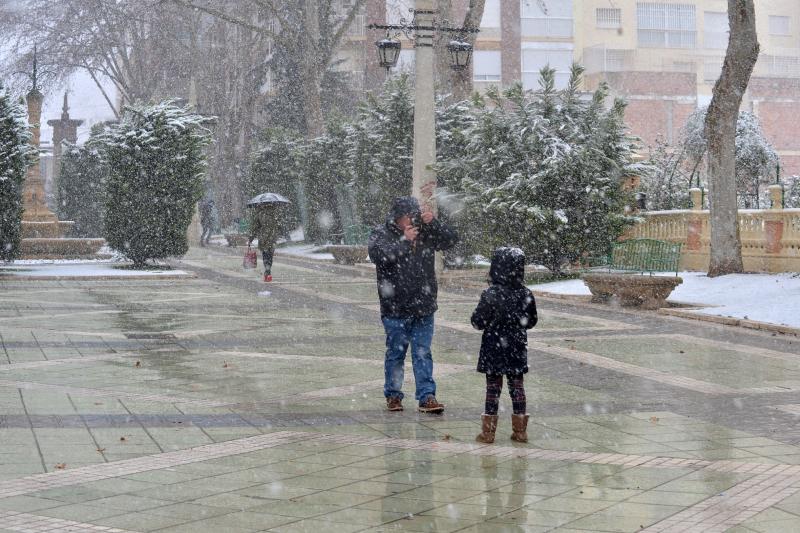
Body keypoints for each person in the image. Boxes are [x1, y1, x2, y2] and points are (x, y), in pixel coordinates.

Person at [368, 195, 458, 413]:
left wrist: (433, 222)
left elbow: (451, 240)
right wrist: (404, 241)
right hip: (395, 307)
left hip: (423, 305)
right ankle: (393, 395)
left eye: (415, 215)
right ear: (398, 217)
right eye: (409, 216)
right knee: (396, 354)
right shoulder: (381, 233)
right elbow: (379, 256)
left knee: (422, 352)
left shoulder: (424, 231)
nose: (412, 220)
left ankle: (427, 396)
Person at [471, 247, 538, 443]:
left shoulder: (491, 293)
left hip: (494, 346)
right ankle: (520, 431)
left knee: (493, 388)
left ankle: (488, 432)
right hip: (516, 346)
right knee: (517, 386)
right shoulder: (525, 293)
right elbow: (532, 321)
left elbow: (478, 322)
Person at [248, 205, 281, 282]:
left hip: (263, 238)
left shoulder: (260, 214)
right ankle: (268, 269)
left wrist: (251, 238)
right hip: (272, 238)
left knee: (265, 255)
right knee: (270, 255)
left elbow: (254, 227)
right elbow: (279, 226)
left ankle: (267, 271)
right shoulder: (275, 213)